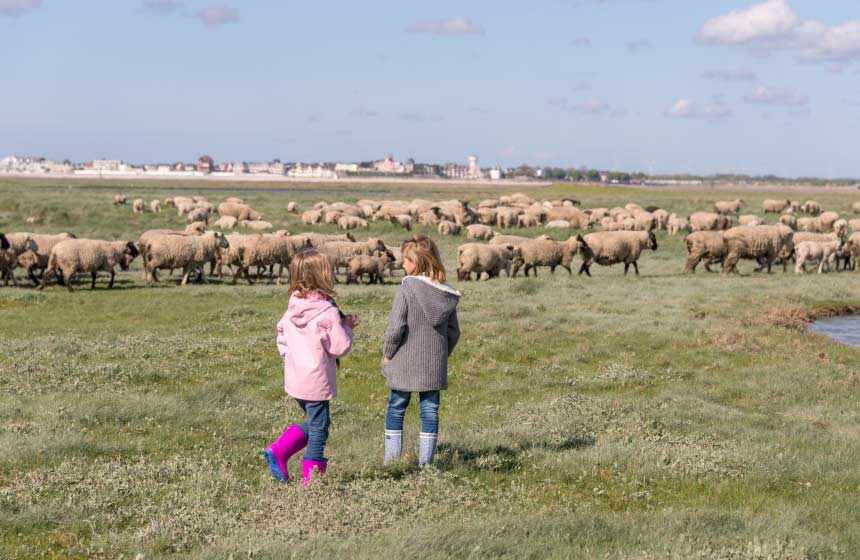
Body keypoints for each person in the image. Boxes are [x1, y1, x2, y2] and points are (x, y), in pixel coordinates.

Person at [264, 249, 358, 485]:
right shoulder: (327, 312)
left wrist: (289, 359)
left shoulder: (293, 305)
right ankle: (311, 480)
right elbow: (339, 346)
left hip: (296, 377)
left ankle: (281, 450)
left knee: (318, 421)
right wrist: (347, 328)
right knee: (319, 429)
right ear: (324, 277)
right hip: (316, 379)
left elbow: (282, 336)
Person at [382, 235, 460, 466]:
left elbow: (396, 327)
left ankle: (392, 462)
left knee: (397, 407)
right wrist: (440, 354)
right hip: (433, 363)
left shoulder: (407, 287)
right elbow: (454, 332)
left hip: (404, 359)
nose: (402, 265)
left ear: (414, 263)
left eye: (405, 261)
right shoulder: (446, 292)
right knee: (430, 410)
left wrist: (388, 353)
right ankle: (426, 463)